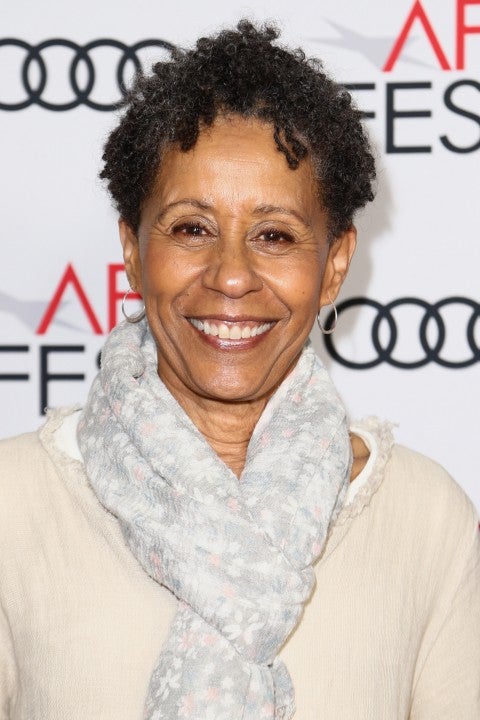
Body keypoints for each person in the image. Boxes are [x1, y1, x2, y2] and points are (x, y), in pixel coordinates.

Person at [0, 20, 479, 720]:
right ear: (132, 250)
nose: (231, 276)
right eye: (191, 228)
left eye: (275, 235)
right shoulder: (13, 505)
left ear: (334, 265)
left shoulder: (425, 520)